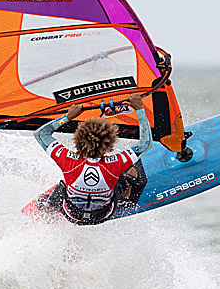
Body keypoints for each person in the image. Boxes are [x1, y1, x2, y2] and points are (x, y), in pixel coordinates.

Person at [33, 93, 152, 225]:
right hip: (103, 215)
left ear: (77, 141)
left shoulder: (67, 160)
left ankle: (48, 207)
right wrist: (140, 109)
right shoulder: (116, 163)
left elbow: (41, 134)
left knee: (63, 185)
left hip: (72, 214)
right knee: (125, 172)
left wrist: (68, 117)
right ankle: (126, 195)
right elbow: (145, 144)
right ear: (109, 144)